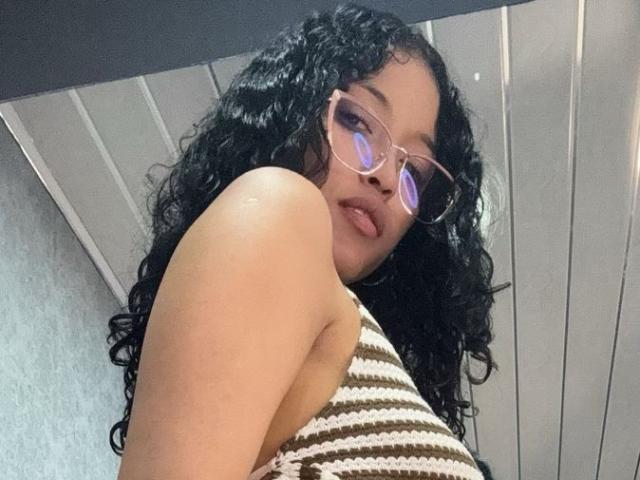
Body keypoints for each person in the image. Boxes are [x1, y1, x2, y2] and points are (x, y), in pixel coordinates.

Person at [107, 3, 509, 479]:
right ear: (294, 114)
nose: (385, 177)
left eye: (414, 172)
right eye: (357, 122)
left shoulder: (347, 345)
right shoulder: (280, 205)